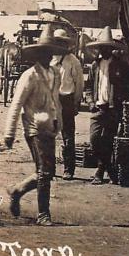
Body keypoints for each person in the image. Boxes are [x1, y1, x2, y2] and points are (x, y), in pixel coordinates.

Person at [4, 24, 69, 226]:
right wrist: (9, 133)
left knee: (47, 171)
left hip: (49, 128)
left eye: (51, 53)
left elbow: (56, 102)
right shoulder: (29, 76)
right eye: (45, 53)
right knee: (44, 172)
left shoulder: (55, 75)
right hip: (33, 128)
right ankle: (43, 214)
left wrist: (60, 124)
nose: (48, 57)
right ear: (38, 54)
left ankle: (17, 190)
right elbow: (16, 104)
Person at [86, 26, 129, 185]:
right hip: (98, 107)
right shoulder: (95, 65)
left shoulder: (121, 66)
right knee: (94, 139)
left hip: (113, 109)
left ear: (111, 49)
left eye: (106, 47)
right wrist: (90, 101)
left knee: (108, 140)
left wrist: (121, 99)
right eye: (101, 47)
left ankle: (100, 171)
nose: (103, 50)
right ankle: (110, 170)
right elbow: (88, 86)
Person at [51, 29, 84, 180]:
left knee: (68, 136)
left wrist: (75, 103)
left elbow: (79, 85)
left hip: (67, 100)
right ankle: (49, 167)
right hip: (51, 101)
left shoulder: (73, 61)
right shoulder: (49, 59)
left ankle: (69, 169)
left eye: (62, 42)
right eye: (57, 42)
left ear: (66, 44)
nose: (59, 45)